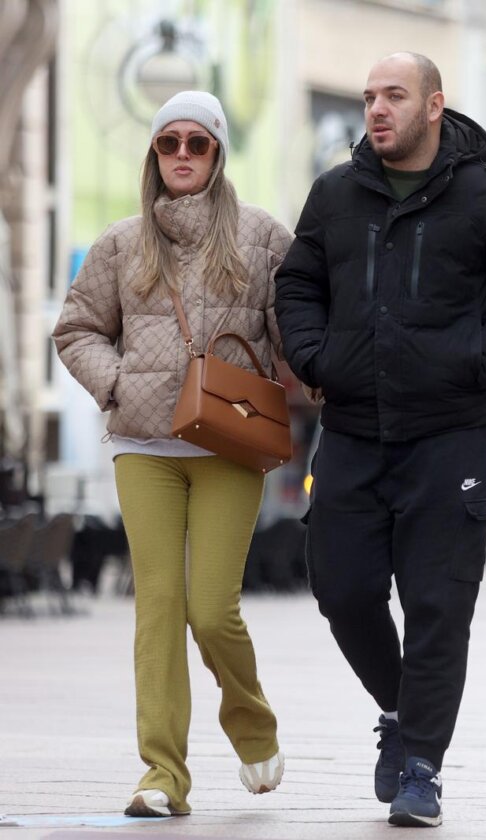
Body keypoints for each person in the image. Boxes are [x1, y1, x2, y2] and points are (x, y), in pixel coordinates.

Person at [274, 53, 486, 827]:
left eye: (392, 96)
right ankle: (402, 713)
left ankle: (422, 768)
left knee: (438, 604)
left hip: (452, 435)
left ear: (435, 105)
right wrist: (313, 357)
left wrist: (473, 360)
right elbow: (296, 284)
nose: (376, 109)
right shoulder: (335, 194)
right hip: (355, 429)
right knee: (342, 587)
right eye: (368, 97)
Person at [52, 91, 290, 817]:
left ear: (218, 154)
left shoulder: (263, 238)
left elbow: (297, 331)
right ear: (153, 155)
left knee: (211, 610)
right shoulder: (122, 243)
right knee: (157, 607)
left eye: (198, 143)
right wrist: (117, 380)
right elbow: (76, 330)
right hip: (142, 445)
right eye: (168, 143)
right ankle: (163, 776)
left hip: (229, 444)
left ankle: (251, 724)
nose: (182, 155)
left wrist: (312, 380)